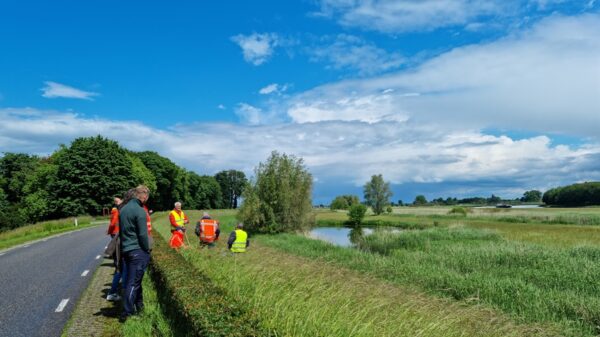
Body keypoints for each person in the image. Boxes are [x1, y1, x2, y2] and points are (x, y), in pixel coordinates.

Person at [119, 185, 151, 321]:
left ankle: (140, 307)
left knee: (135, 281)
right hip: (137, 250)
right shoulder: (139, 211)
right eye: (147, 197)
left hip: (126, 249)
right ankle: (127, 313)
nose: (147, 199)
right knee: (133, 283)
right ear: (143, 196)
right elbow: (143, 234)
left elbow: (121, 232)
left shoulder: (123, 209)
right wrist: (147, 249)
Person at [106, 197, 126, 301]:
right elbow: (113, 222)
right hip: (118, 234)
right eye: (116, 201)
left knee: (120, 267)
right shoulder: (117, 210)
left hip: (118, 234)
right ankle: (114, 291)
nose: (117, 203)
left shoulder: (119, 209)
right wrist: (110, 231)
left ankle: (114, 290)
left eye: (118, 201)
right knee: (120, 266)